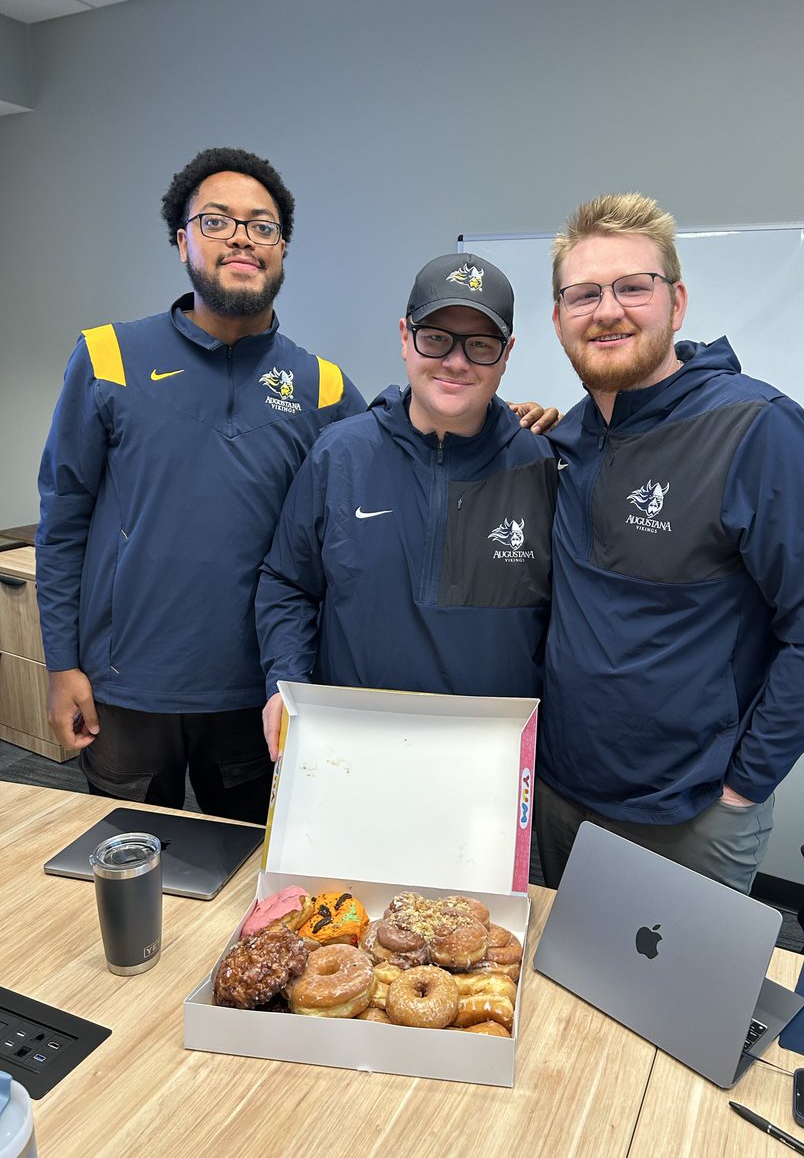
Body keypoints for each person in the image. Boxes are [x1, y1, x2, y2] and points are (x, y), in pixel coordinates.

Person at [535, 192, 804, 893]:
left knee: (670, 1006)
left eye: (633, 286)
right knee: (551, 998)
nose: (608, 309)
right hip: (562, 796)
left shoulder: (759, 431)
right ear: (559, 317)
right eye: (584, 293)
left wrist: (743, 788)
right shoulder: (571, 438)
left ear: (676, 303)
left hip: (690, 818)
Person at [35, 147, 370, 822]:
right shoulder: (106, 357)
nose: (242, 236)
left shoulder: (323, 386)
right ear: (180, 239)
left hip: (254, 694)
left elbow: (402, 445)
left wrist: (505, 420)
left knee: (252, 894)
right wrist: (62, 664)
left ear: (282, 249)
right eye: (217, 221)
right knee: (127, 881)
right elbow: (63, 520)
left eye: (262, 225)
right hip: (123, 687)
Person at [256, 253, 557, 760]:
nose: (456, 361)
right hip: (350, 746)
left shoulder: (543, 466)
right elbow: (288, 582)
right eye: (436, 338)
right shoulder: (340, 454)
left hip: (492, 761)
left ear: (506, 355)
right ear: (405, 337)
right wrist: (284, 681)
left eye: (480, 345)